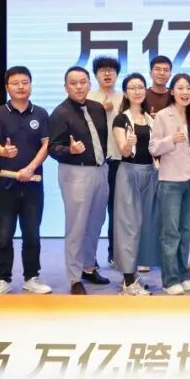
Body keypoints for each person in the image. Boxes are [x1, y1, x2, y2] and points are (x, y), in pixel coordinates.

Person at [0, 66, 52, 295]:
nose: (21, 87)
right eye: (15, 83)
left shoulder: (40, 113)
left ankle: (32, 277)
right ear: (7, 87)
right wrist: (3, 151)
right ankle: (2, 279)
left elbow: (46, 145)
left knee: (32, 233)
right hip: (5, 185)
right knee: (4, 234)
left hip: (33, 184)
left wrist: (30, 168)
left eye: (25, 82)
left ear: (31, 85)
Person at [48, 66, 111, 295]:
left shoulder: (97, 108)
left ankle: (88, 267)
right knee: (76, 226)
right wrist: (70, 150)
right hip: (75, 173)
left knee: (95, 223)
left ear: (89, 84)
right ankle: (74, 277)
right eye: (73, 83)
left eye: (83, 82)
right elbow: (53, 148)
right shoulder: (60, 113)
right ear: (65, 87)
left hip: (100, 170)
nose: (79, 87)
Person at [149, 73, 190, 295]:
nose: (185, 92)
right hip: (170, 182)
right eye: (180, 88)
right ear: (172, 91)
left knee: (186, 231)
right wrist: (171, 140)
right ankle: (170, 279)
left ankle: (184, 275)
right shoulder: (163, 116)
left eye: (189, 88)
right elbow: (153, 147)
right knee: (170, 233)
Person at [110, 73, 157, 296]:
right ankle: (128, 281)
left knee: (145, 225)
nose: (137, 91)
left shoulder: (150, 118)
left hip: (150, 174)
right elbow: (124, 151)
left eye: (140, 87)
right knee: (128, 225)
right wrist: (129, 144)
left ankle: (132, 275)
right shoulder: (121, 119)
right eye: (132, 88)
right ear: (126, 93)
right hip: (129, 173)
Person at [87, 55, 124, 267]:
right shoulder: (88, 97)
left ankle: (115, 253)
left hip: (118, 160)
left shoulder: (124, 97)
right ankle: (89, 258)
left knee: (116, 211)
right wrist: (101, 109)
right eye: (102, 70)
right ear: (96, 75)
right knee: (94, 211)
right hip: (95, 161)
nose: (107, 74)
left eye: (111, 70)